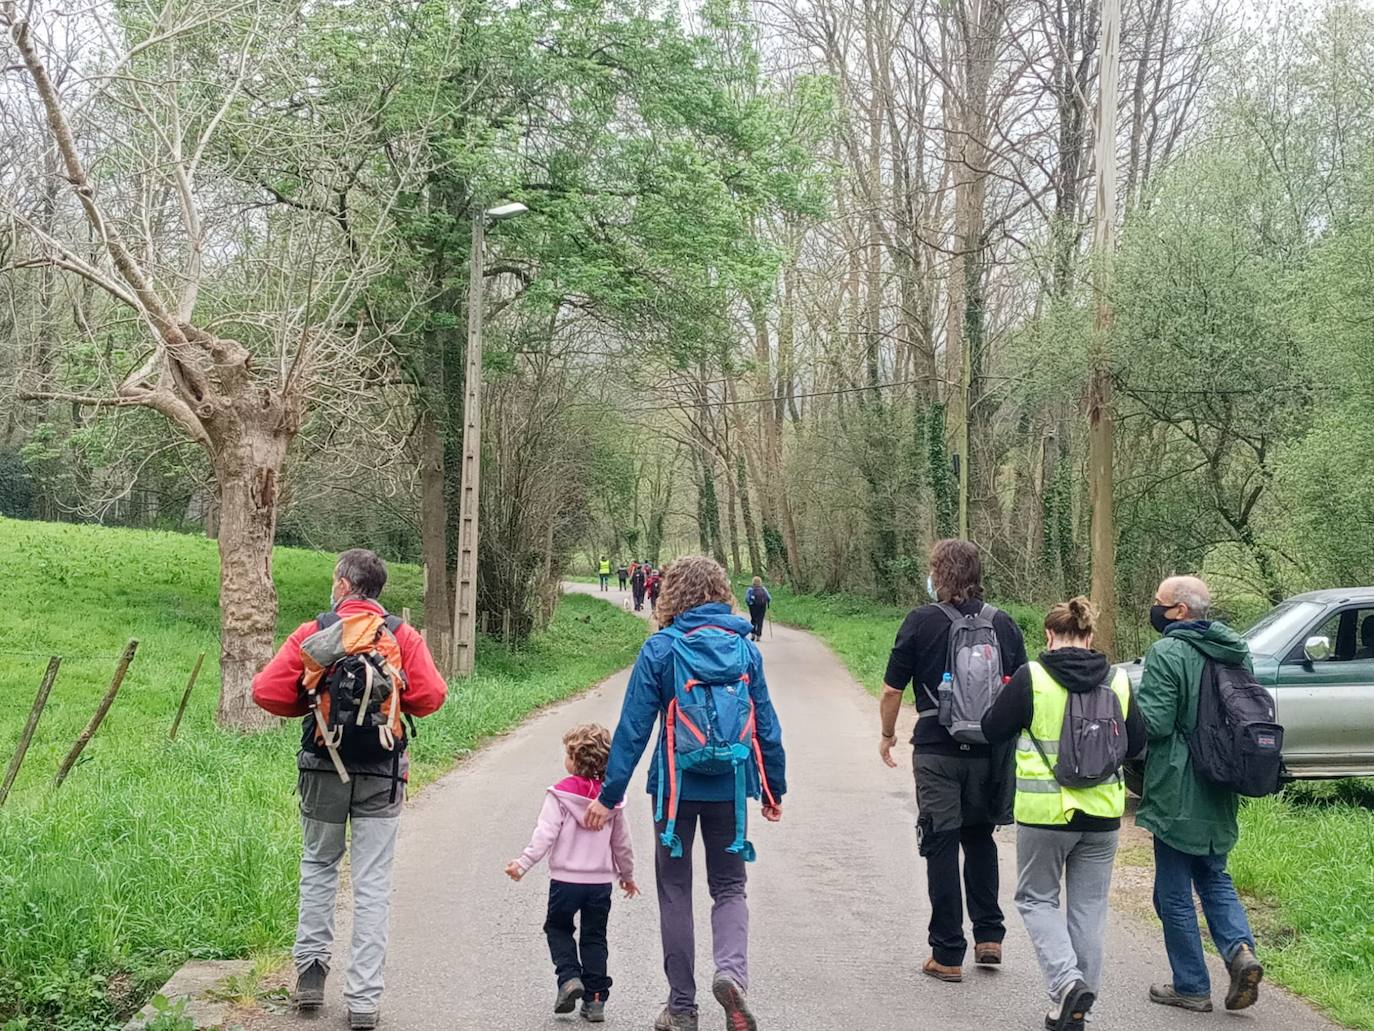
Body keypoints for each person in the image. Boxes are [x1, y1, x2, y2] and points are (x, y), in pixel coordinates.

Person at [585, 555, 786, 1031]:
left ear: (671, 593)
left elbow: (633, 730)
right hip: (732, 790)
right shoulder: (745, 651)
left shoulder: (661, 650)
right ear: (722, 592)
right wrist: (774, 786)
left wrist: (608, 796)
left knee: (675, 890)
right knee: (730, 886)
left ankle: (681, 1008)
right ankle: (731, 973)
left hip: (674, 792)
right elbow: (768, 727)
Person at [252, 549, 448, 1030]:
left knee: (319, 866)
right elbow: (431, 697)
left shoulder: (314, 632)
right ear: (377, 592)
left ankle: (311, 979)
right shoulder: (401, 635)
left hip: (323, 766)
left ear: (342, 584)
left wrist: (312, 700)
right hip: (382, 772)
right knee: (373, 883)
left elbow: (265, 691)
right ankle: (363, 1001)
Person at [981, 597, 1146, 1031]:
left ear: (1049, 636)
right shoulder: (1119, 680)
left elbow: (992, 728)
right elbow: (1137, 742)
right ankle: (1076, 1012)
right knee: (1089, 909)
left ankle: (1066, 982)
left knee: (1035, 899)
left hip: (1045, 814)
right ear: (1089, 637)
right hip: (1104, 814)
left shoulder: (1031, 677)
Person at [878, 538, 1027, 982]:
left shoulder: (920, 622)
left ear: (938, 576)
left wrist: (887, 735)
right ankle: (989, 937)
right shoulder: (1005, 624)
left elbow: (891, 690)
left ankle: (946, 954)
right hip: (989, 750)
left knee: (940, 842)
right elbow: (1022, 690)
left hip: (937, 750)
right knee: (980, 838)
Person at [1137, 576, 1264, 1014]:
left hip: (1178, 783)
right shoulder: (1235, 651)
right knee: (1214, 874)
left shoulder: (1167, 652)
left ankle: (1191, 985)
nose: (1154, 607)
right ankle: (1239, 950)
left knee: (1172, 890)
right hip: (1224, 780)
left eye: (1159, 602)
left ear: (1180, 611)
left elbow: (1154, 722)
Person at [506, 724, 639, 1024]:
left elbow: (544, 834)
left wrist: (523, 864)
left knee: (558, 928)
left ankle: (569, 979)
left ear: (576, 760)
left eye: (568, 754)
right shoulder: (611, 800)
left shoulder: (560, 795)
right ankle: (595, 1000)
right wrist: (627, 876)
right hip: (600, 883)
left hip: (565, 881)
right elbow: (623, 843)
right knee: (594, 937)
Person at [745, 576, 771, 642]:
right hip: (762, 606)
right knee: (760, 621)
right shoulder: (763, 589)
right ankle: (758, 636)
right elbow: (769, 598)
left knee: (753, 620)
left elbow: (747, 599)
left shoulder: (750, 589)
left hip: (753, 606)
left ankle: (753, 634)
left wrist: (749, 603)